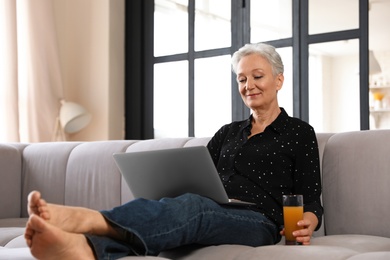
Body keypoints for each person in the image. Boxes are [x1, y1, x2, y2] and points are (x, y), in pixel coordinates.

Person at [24, 43, 323, 259]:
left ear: (279, 80)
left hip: (260, 222)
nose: (248, 86)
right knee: (177, 220)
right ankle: (85, 249)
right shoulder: (228, 133)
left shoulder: (298, 133)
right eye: (241, 79)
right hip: (214, 210)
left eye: (257, 76)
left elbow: (311, 202)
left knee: (194, 208)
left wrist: (308, 221)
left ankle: (90, 220)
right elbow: (197, 176)